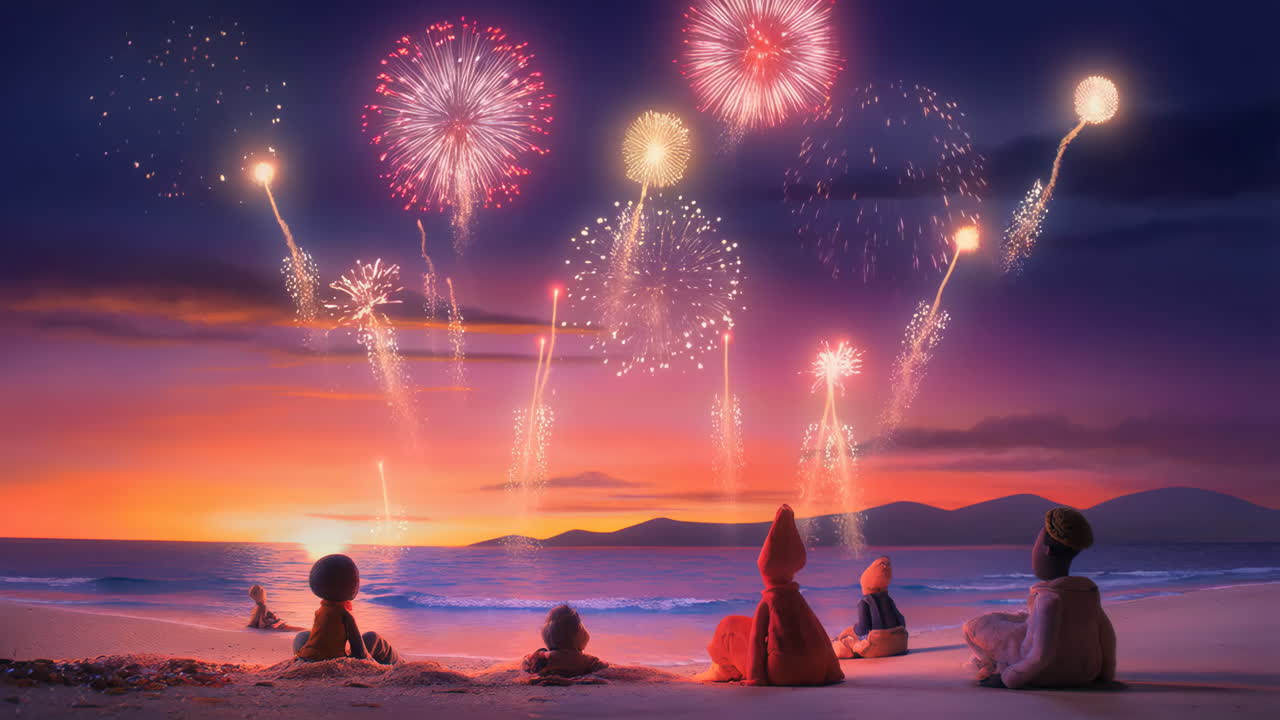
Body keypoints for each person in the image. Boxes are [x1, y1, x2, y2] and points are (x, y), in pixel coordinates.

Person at [962, 507, 1117, 689]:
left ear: (1046, 550)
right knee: (1022, 618)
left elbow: (1042, 655)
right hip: (1085, 671)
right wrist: (1106, 673)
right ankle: (1000, 662)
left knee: (972, 626)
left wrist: (1008, 678)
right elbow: (1106, 635)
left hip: (1044, 674)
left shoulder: (1048, 599)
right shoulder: (1087, 592)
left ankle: (994, 666)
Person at [697, 504, 843, 686]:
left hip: (784, 674)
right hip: (815, 672)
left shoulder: (770, 600)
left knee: (729, 624)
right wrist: (832, 671)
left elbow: (756, 642)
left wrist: (755, 678)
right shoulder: (798, 599)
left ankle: (724, 668)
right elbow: (821, 636)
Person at [292, 554, 401, 665]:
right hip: (340, 662)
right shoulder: (344, 614)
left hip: (314, 658)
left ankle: (306, 660)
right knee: (372, 638)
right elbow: (358, 647)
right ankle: (401, 665)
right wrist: (366, 660)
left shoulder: (320, 611)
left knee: (302, 636)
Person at [832, 556, 908, 659]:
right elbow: (901, 620)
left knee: (847, 641)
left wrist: (851, 630)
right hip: (899, 644)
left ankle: (834, 645)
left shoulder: (865, 601)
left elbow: (862, 629)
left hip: (878, 646)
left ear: (866, 583)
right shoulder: (888, 599)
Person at [521, 604, 608, 677]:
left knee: (541, 651)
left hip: (548, 663)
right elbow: (604, 667)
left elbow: (526, 663)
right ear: (581, 635)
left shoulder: (540, 658)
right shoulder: (588, 661)